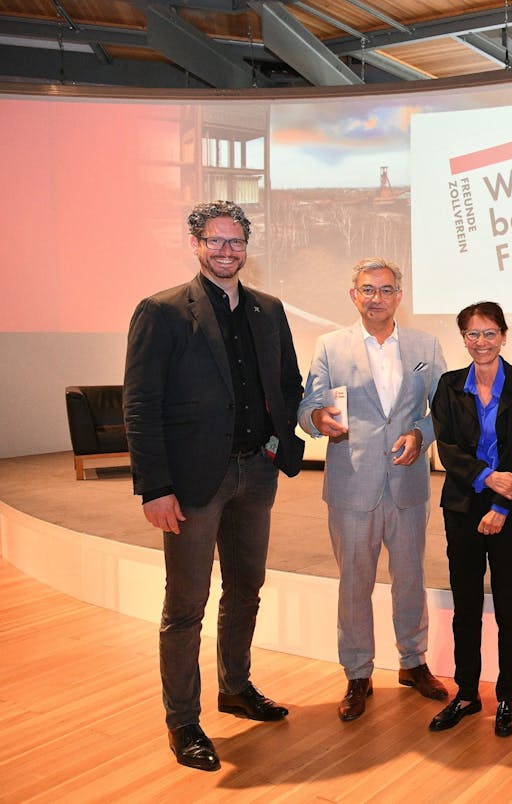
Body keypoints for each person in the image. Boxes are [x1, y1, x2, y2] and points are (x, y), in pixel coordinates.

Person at [123, 200, 305, 772]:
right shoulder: (161, 311)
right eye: (216, 241)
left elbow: (288, 383)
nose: (227, 251)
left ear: (246, 247)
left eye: (236, 241)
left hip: (257, 472)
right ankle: (183, 722)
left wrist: (281, 437)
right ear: (197, 245)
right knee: (185, 606)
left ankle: (235, 687)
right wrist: (155, 488)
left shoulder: (269, 309)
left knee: (246, 589)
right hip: (193, 483)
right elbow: (140, 405)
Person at [298, 257, 448, 722]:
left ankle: (413, 662)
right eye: (368, 289)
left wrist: (421, 433)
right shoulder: (330, 346)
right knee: (354, 584)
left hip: (408, 483)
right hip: (351, 485)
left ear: (399, 296)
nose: (376, 298)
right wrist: (317, 419)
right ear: (354, 295)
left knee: (410, 579)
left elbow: (444, 409)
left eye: (385, 290)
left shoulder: (425, 345)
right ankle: (358, 672)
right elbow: (307, 407)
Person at [429, 302, 512, 737]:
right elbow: (447, 447)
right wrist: (486, 477)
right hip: (463, 507)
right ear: (463, 338)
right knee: (465, 605)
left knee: (509, 604)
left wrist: (500, 506)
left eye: (490, 333)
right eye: (473, 334)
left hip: (511, 510)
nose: (481, 342)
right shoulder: (448, 385)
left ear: (504, 336)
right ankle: (465, 693)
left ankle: (508, 697)